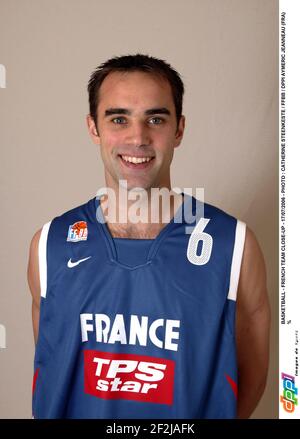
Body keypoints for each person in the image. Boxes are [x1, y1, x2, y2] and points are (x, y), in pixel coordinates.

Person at [27, 54, 271, 419]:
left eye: (155, 119)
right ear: (93, 128)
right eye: (118, 118)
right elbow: (53, 365)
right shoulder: (49, 245)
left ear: (179, 129)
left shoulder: (233, 245)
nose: (137, 137)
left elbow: (250, 376)